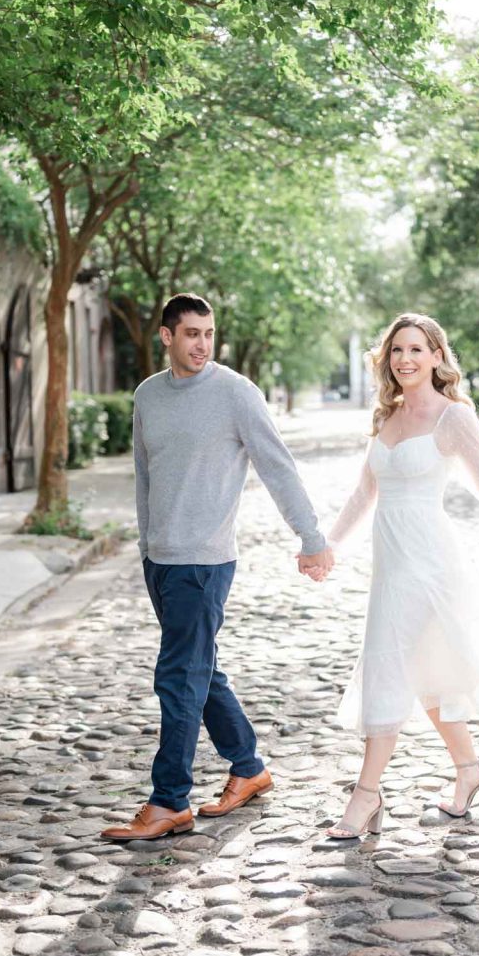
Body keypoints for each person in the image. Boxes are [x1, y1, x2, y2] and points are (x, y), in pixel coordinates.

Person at [306, 313, 479, 839]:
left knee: (386, 666)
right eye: (397, 350)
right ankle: (469, 772)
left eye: (416, 349)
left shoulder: (454, 418)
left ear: (435, 356)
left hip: (429, 564)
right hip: (391, 564)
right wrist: (329, 545)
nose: (405, 359)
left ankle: (366, 794)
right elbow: (364, 494)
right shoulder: (388, 415)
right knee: (428, 674)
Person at [101, 293, 333, 842]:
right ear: (167, 336)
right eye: (191, 334)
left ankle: (169, 801)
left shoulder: (235, 393)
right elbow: (145, 476)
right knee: (199, 670)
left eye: (208, 333)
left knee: (178, 677)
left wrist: (311, 536)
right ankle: (248, 768)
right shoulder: (147, 397)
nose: (202, 344)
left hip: (204, 562)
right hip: (160, 559)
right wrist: (145, 545)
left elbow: (278, 466)